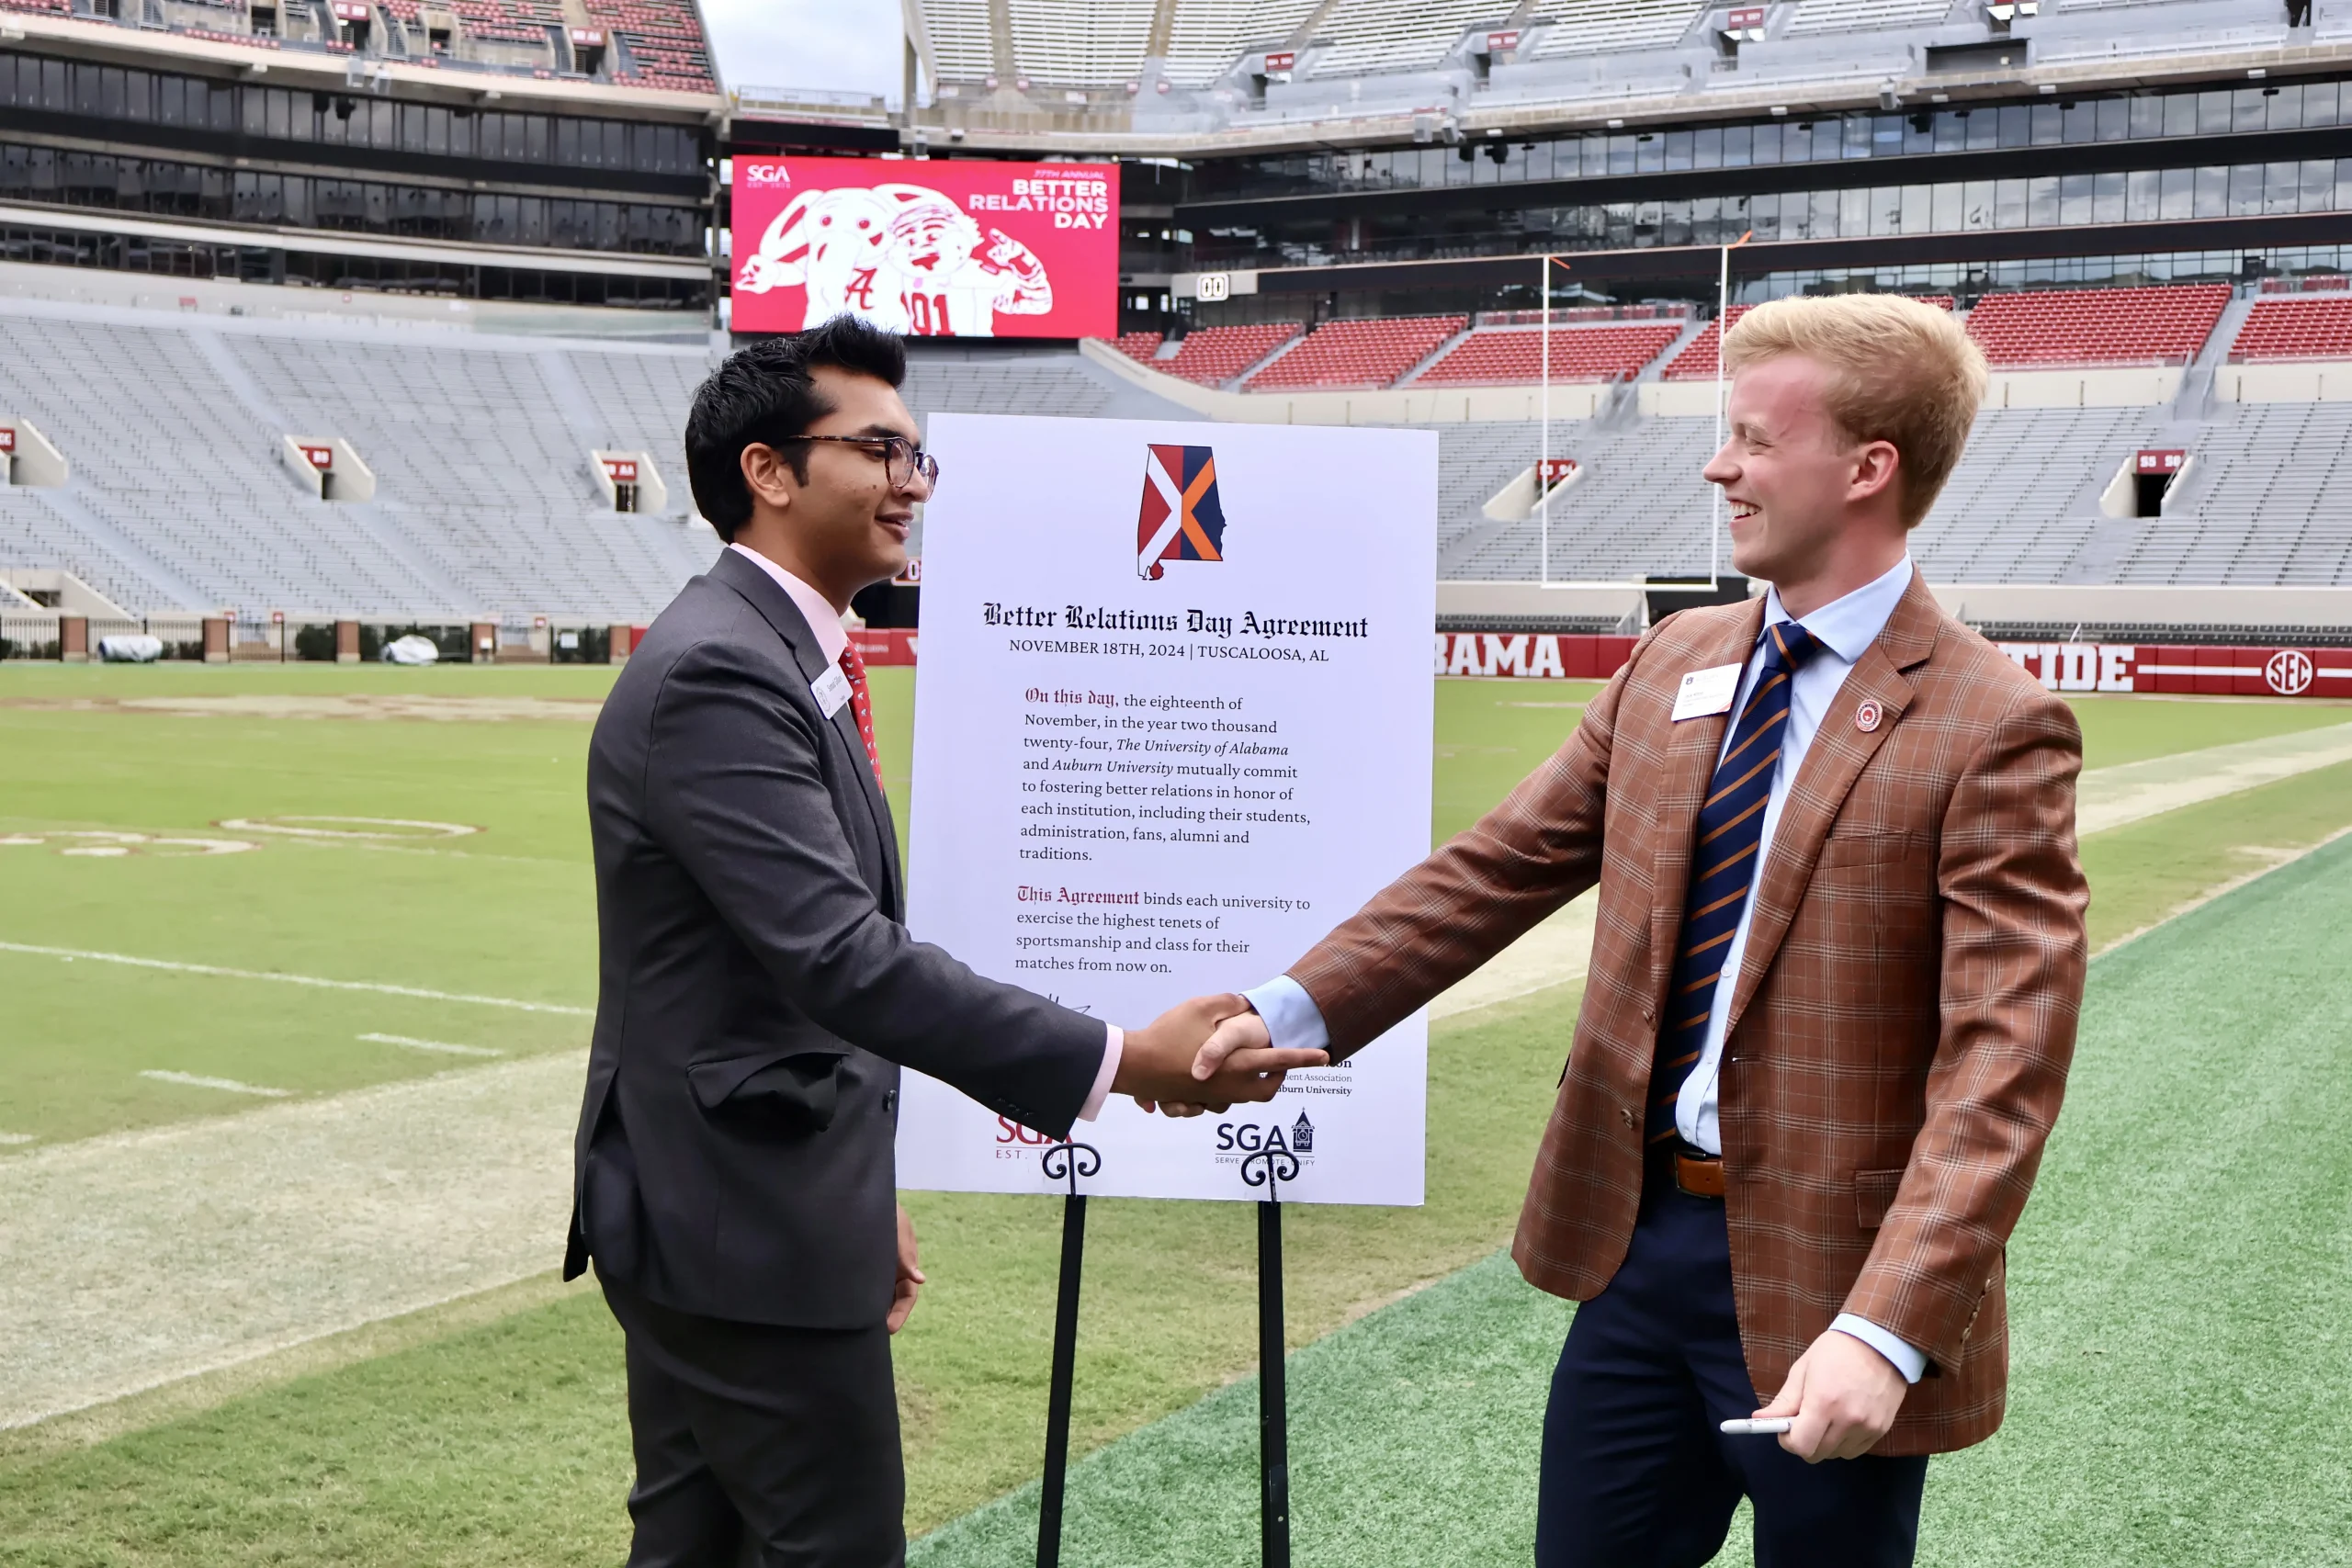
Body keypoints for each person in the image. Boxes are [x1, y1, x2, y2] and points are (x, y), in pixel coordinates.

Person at [1184, 293, 2089, 1566]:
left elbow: (2004, 1065)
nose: (1723, 464)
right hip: (1638, 1246)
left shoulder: (1995, 722)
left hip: (1832, 1278)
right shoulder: (1672, 660)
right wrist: (1281, 1009)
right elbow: (1495, 869)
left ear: (1869, 467)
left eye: (1758, 439)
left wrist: (1886, 1327)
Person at [563, 315, 1325, 1568]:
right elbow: (839, 957)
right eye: (880, 448)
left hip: (744, 1201)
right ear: (769, 471)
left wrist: (858, 1198)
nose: (913, 479)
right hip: (734, 1225)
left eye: (921, 455)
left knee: (700, 1545)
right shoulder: (721, 672)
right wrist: (1126, 1056)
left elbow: (793, 978)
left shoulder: (771, 654)